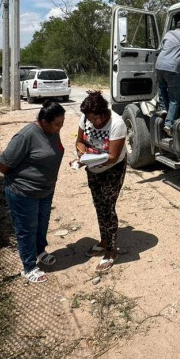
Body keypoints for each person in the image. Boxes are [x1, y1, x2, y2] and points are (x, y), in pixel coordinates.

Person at [0, 99, 66, 283]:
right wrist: (24, 179)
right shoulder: (26, 135)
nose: (60, 127)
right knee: (26, 229)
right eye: (57, 124)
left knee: (41, 224)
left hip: (45, 191)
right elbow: (2, 165)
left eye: (62, 123)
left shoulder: (52, 132)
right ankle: (29, 266)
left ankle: (40, 251)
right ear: (44, 122)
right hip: (23, 193)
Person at [74, 90, 127, 272]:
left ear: (104, 113)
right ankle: (104, 240)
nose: (92, 123)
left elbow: (112, 157)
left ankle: (112, 251)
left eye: (95, 119)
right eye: (89, 119)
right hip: (92, 168)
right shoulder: (86, 119)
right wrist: (81, 154)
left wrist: (88, 158)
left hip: (112, 169)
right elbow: (80, 141)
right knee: (98, 204)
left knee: (108, 206)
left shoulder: (117, 124)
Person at [155, 19, 180, 137]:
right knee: (174, 99)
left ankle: (164, 108)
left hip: (159, 65)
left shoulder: (168, 33)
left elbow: (162, 48)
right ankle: (169, 124)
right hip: (173, 68)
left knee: (162, 87)